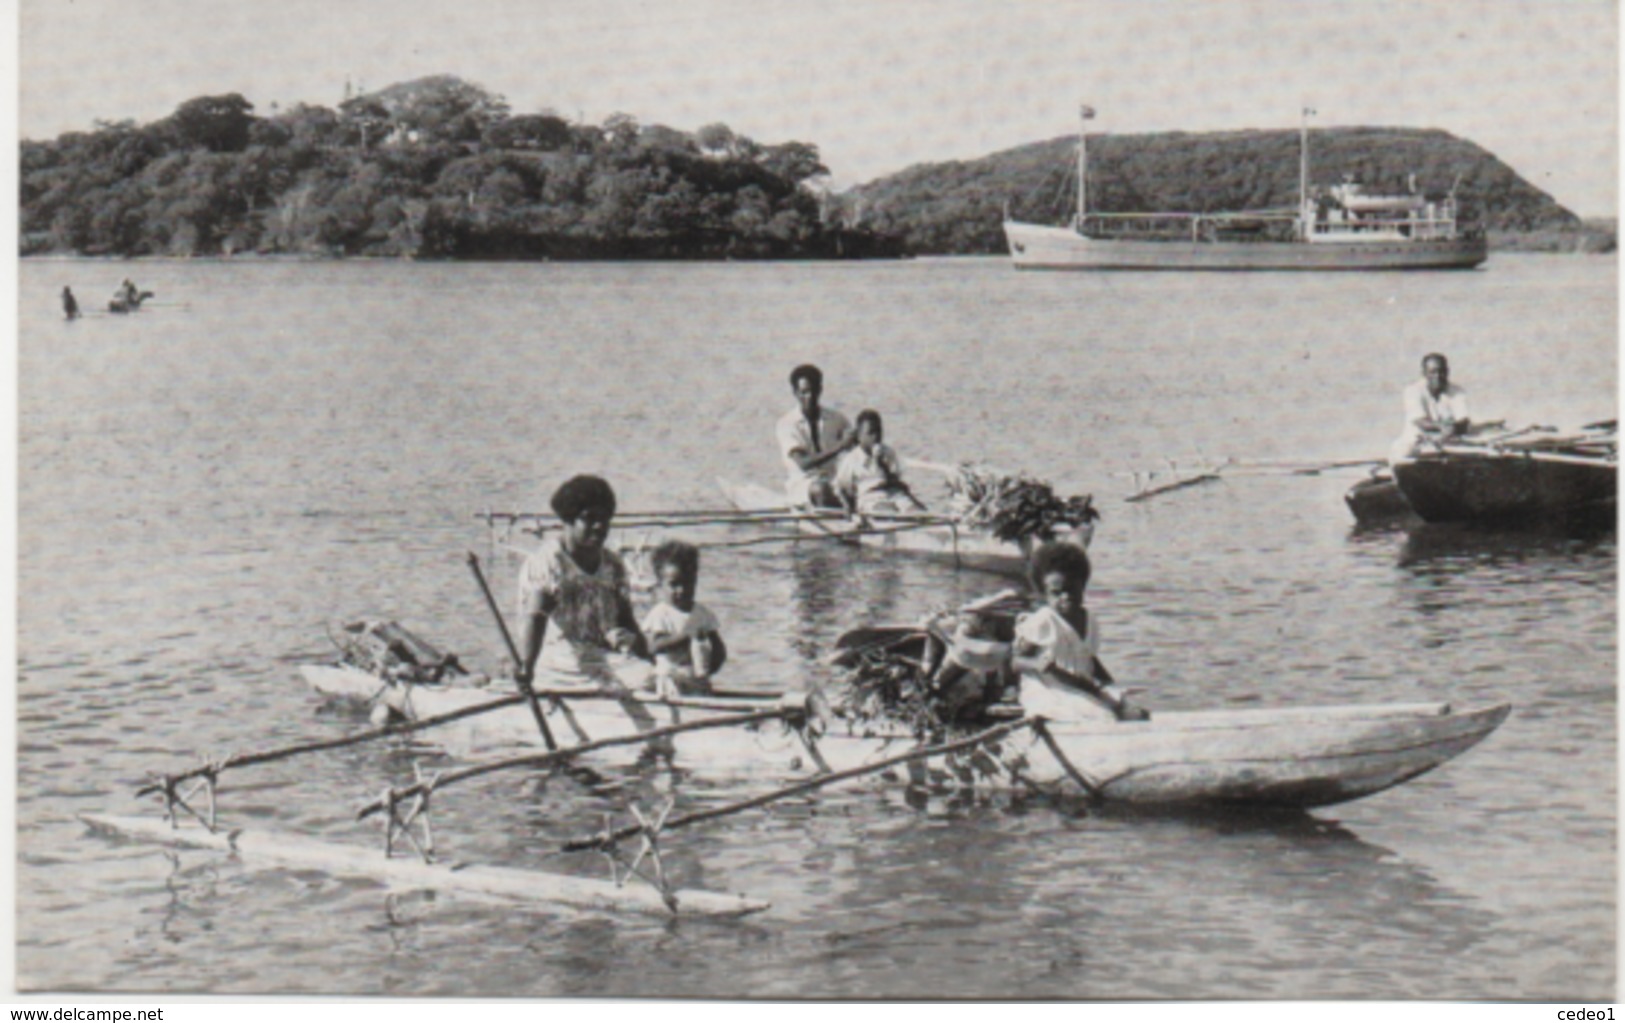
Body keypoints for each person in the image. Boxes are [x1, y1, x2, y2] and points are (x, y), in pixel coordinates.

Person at [515, 474, 650, 690]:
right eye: (589, 518)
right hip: (559, 661)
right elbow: (536, 617)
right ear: (568, 520)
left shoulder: (613, 565)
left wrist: (647, 656)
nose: (598, 526)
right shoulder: (549, 562)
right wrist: (526, 668)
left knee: (666, 676)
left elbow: (626, 620)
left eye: (604, 519)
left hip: (601, 657)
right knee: (648, 680)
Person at [1009, 542, 1149, 723]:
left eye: (1071, 590)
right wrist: (1036, 664)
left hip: (1082, 686)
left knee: (1133, 714)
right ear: (1044, 593)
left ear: (1082, 586)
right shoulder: (1044, 620)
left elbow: (1089, 658)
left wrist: (1110, 685)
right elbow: (1015, 662)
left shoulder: (1089, 619)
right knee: (1101, 717)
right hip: (1050, 689)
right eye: (1056, 593)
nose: (1065, 597)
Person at [640, 540, 728, 698]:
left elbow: (719, 649)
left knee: (703, 689)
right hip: (670, 679)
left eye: (688, 583)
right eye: (674, 585)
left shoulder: (702, 614)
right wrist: (684, 637)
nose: (682, 590)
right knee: (665, 679)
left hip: (694, 678)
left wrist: (711, 664)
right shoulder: (661, 613)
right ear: (660, 585)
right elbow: (652, 647)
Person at [776, 363, 854, 508]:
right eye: (804, 392)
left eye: (814, 391)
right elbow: (804, 463)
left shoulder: (837, 418)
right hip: (803, 485)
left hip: (833, 481)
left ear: (820, 390)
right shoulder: (787, 424)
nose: (810, 397)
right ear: (795, 393)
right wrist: (840, 446)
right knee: (821, 489)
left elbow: (856, 447)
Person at [833, 409, 926, 518]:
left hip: (893, 494)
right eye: (870, 433)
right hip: (871, 497)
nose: (876, 437)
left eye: (878, 431)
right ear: (859, 436)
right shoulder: (852, 459)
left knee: (916, 512)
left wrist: (882, 463)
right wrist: (849, 508)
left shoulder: (888, 452)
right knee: (888, 511)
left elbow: (896, 478)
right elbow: (841, 488)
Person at [1391, 352, 1470, 462]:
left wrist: (1455, 428)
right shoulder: (1412, 391)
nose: (1437, 376)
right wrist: (1443, 427)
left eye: (1441, 372)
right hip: (1415, 445)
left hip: (1447, 445)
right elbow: (1421, 422)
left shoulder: (1457, 391)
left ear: (1447, 372)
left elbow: (1463, 420)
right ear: (1424, 374)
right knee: (1403, 450)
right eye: (1432, 372)